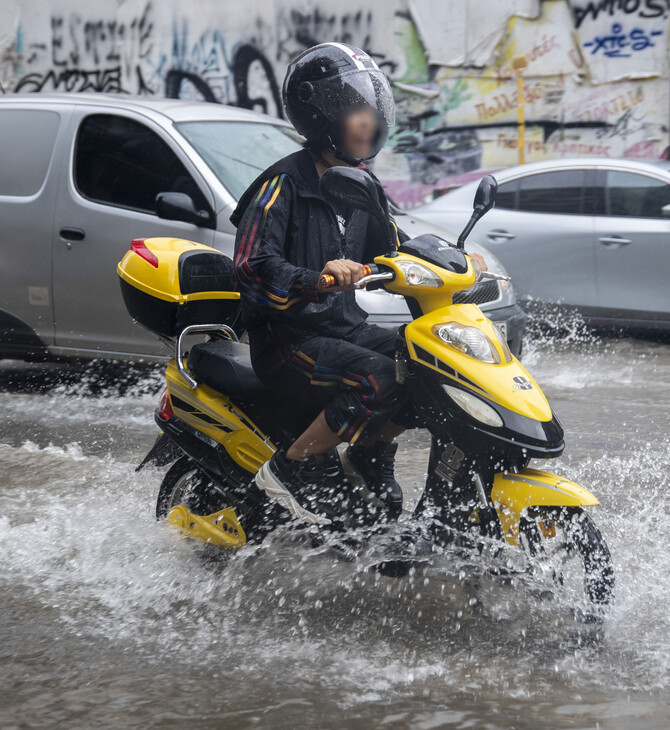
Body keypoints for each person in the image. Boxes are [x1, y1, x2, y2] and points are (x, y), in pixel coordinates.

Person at [230, 43, 486, 526]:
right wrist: (316, 279)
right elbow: (250, 269)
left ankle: (367, 454)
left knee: (432, 364)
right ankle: (294, 467)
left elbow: (394, 246)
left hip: (341, 329)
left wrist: (450, 262)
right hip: (289, 340)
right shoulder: (281, 184)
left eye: (372, 110)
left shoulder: (359, 183)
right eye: (355, 110)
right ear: (319, 113)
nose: (369, 122)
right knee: (380, 376)